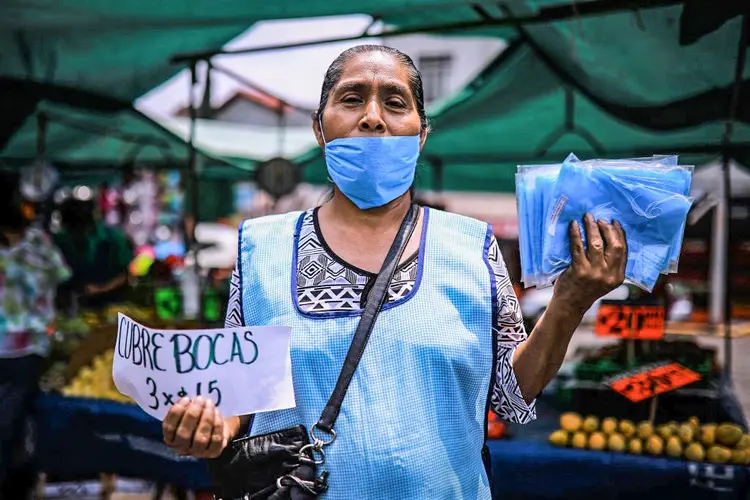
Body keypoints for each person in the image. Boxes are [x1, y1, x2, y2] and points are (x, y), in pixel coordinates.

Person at [162, 45, 627, 499]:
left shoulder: (471, 245)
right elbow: (241, 399)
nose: (372, 117)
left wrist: (570, 301)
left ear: (421, 133)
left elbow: (510, 395)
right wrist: (212, 426)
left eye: (395, 102)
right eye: (351, 98)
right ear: (319, 129)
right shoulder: (260, 247)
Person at [0, 193, 71, 499]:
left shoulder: (33, 245)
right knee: (10, 421)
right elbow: (63, 275)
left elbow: (61, 275)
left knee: (10, 421)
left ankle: (11, 484)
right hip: (25, 347)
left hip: (25, 347)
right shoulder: (36, 244)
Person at [54, 198, 133, 309]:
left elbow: (125, 274)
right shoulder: (60, 240)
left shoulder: (114, 238)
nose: (78, 234)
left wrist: (99, 289)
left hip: (112, 303)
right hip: (71, 304)